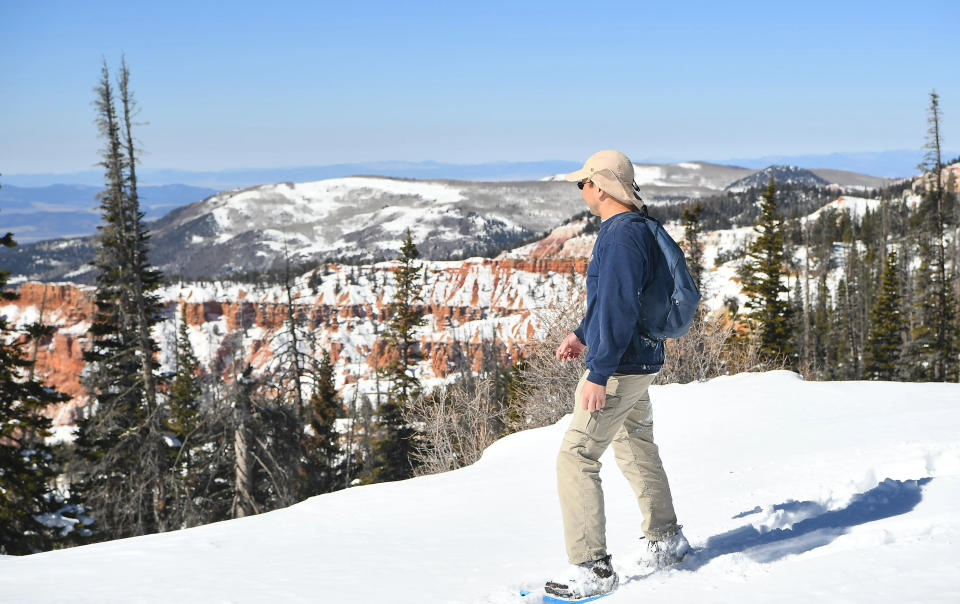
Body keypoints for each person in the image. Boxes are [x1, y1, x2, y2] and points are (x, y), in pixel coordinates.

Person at [545, 150, 689, 601]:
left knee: (577, 456)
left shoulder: (620, 236)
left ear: (602, 187)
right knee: (635, 446)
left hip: (620, 367)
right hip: (641, 360)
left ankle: (593, 568)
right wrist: (581, 332)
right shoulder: (637, 229)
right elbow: (616, 300)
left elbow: (619, 304)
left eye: (582, 183)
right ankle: (666, 540)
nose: (581, 191)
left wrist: (599, 370)